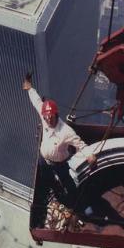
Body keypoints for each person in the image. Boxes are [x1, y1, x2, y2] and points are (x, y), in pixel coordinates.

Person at [23, 73, 97, 218]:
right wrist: (29, 88)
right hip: (44, 160)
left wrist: (90, 155)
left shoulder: (66, 131)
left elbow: (80, 144)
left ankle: (80, 206)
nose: (48, 120)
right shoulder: (44, 117)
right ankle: (57, 193)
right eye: (46, 117)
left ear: (56, 115)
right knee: (47, 179)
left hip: (59, 164)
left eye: (51, 117)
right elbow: (37, 102)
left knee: (69, 184)